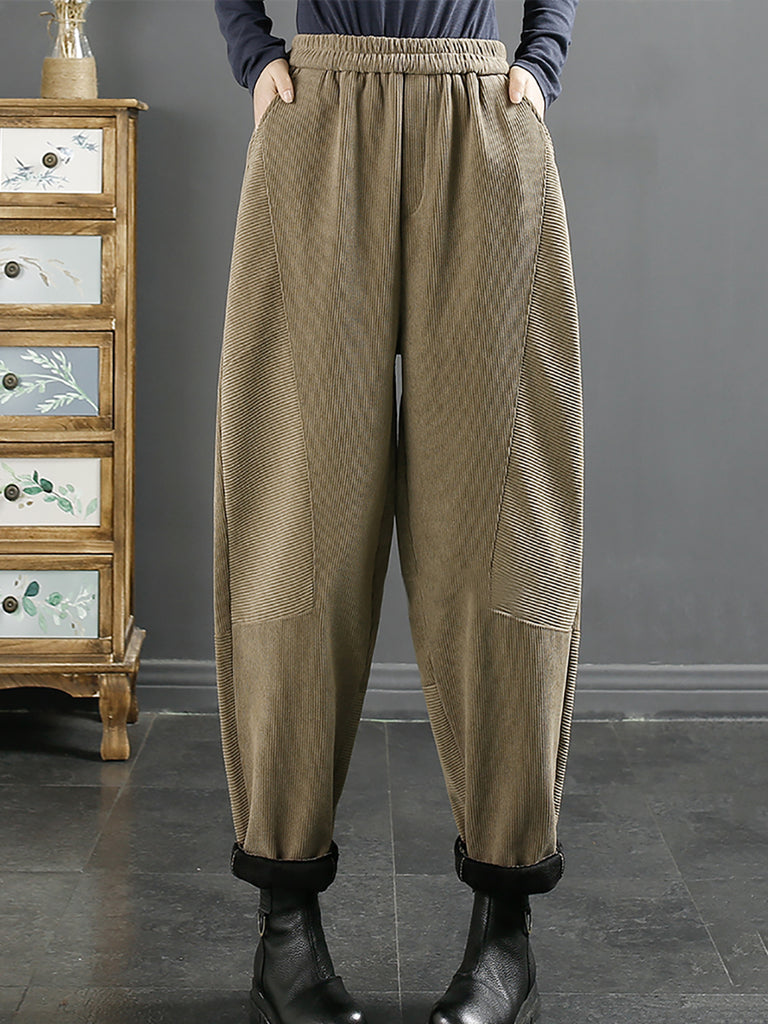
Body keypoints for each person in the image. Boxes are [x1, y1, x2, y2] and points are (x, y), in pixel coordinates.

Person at [212, 3, 582, 1023]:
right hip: (321, 112)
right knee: (298, 524)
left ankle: (504, 931)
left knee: (500, 534)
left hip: (481, 113)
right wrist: (252, 51)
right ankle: (285, 928)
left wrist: (542, 60)